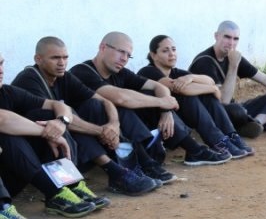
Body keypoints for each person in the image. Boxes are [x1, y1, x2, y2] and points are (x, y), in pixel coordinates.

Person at [12, 37, 159, 196]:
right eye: (55, 58)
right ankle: (115, 173)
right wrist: (102, 131)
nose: (62, 62)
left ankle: (130, 167)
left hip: (68, 148)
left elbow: (104, 101)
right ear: (38, 59)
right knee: (60, 119)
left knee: (94, 106)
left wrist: (113, 125)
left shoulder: (64, 76)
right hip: (35, 150)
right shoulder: (29, 79)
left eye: (65, 57)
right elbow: (55, 120)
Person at [71, 32, 231, 172]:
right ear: (103, 47)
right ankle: (145, 163)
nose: (124, 59)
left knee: (149, 95)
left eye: (128, 55)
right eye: (121, 52)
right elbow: (120, 97)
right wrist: (162, 103)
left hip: (121, 133)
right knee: (122, 106)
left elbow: (157, 86)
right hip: (90, 138)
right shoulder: (82, 71)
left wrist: (165, 111)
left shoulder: (121, 72)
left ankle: (195, 149)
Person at [0, 53, 97, 218]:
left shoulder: (7, 92)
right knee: (8, 134)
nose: (1, 70)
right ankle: (52, 191)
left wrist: (60, 122)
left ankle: (71, 185)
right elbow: (3, 119)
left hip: (14, 177)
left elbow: (57, 105)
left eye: (1, 63)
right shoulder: (28, 78)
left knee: (47, 116)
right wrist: (49, 134)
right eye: (55, 57)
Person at [188, 20, 266, 136]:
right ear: (216, 36)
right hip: (213, 114)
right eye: (227, 37)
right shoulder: (205, 62)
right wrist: (233, 65)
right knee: (236, 110)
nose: (231, 43)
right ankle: (245, 124)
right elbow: (223, 100)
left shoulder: (232, 57)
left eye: (235, 39)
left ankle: (255, 124)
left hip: (231, 111)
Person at [139, 35, 253, 158]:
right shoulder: (148, 71)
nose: (172, 54)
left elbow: (209, 80)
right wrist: (213, 88)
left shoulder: (176, 73)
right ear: (153, 55)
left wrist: (191, 77)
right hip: (154, 122)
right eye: (165, 51)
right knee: (189, 96)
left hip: (176, 119)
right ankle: (216, 140)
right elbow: (183, 89)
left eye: (173, 49)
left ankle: (230, 135)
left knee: (206, 95)